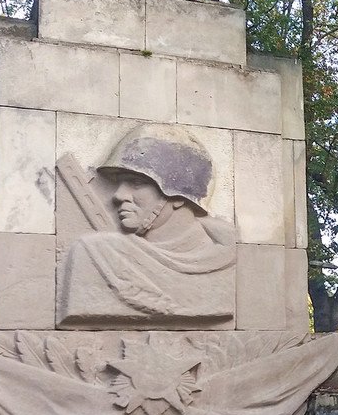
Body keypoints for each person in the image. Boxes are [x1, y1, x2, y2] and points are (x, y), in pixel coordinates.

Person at [58, 124, 238, 327]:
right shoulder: (93, 253)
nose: (119, 195)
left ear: (178, 196)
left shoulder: (227, 263)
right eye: (120, 183)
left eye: (136, 183)